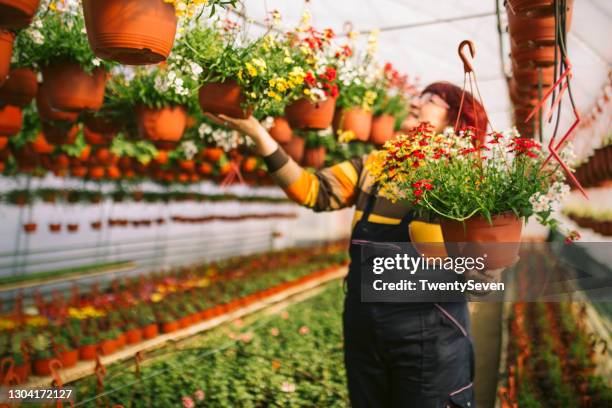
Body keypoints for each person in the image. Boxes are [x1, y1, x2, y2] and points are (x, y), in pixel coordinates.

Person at [205, 81, 494, 407]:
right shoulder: (376, 166)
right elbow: (314, 190)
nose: (415, 103)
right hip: (365, 327)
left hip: (431, 335)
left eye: (431, 100)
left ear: (457, 120)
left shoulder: (464, 179)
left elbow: (483, 277)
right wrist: (259, 134)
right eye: (417, 95)